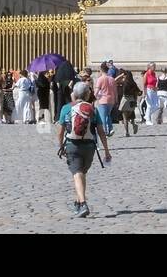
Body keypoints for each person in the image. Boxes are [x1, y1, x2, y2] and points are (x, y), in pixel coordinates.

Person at [54, 82, 111, 218]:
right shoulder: (93, 109)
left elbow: (60, 131)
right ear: (87, 94)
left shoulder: (66, 108)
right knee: (81, 173)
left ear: (74, 94)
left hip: (72, 145)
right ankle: (78, 202)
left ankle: (83, 203)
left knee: (77, 173)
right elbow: (101, 131)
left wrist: (61, 145)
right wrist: (106, 150)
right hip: (89, 147)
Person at [93, 62, 116, 136]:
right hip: (111, 99)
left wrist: (92, 99)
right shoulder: (112, 79)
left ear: (101, 69)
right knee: (108, 115)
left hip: (102, 99)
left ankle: (105, 131)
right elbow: (115, 91)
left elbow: (96, 91)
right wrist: (116, 99)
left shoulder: (100, 79)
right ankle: (110, 128)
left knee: (103, 116)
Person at [115, 69, 139, 136]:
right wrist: (135, 101)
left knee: (125, 117)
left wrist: (121, 75)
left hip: (125, 99)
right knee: (130, 115)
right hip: (131, 99)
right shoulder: (133, 83)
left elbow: (114, 81)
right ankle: (134, 125)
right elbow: (137, 93)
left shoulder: (124, 82)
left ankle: (127, 132)